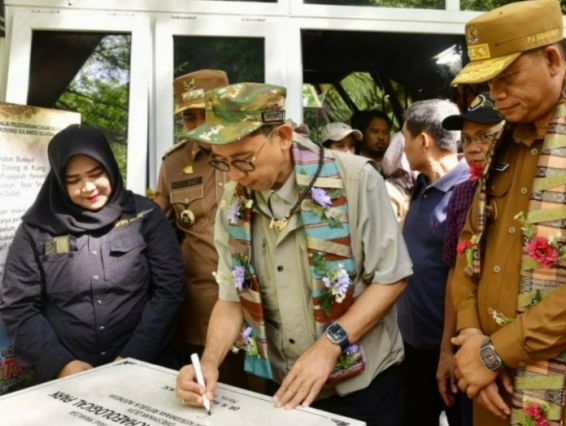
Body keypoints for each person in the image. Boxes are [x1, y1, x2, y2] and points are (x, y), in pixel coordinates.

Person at [175, 83, 412, 425]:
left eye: (243, 160)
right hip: (286, 389)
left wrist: (330, 345)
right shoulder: (235, 200)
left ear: (283, 136)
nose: (235, 175)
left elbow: (392, 279)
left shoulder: (356, 180)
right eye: (223, 162)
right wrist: (209, 362)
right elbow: (231, 297)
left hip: (364, 389)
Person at [449, 1, 566, 425]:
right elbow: (468, 250)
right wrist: (472, 337)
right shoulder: (501, 141)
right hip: (488, 385)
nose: (495, 94)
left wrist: (495, 352)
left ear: (553, 59)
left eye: (506, 76)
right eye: (488, 81)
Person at [0, 124, 184, 382]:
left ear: (110, 167)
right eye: (73, 180)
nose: (88, 187)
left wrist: (134, 356)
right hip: (67, 377)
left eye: (96, 174)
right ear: (59, 182)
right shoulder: (36, 230)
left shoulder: (145, 216)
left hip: (145, 367)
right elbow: (19, 306)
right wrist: (60, 364)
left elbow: (169, 290)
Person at [154, 70, 247, 384]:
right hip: (205, 308)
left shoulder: (254, 150)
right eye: (189, 117)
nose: (198, 124)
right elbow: (157, 230)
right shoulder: (174, 164)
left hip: (263, 302)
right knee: (213, 394)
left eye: (205, 112)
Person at [395, 98, 468, 426]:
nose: (401, 147)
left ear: (423, 140)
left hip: (451, 349)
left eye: (404, 138)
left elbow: (463, 277)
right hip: (414, 343)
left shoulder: (467, 192)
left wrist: (447, 352)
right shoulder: (420, 185)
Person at [437, 92, 504, 426]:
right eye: (467, 140)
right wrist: (447, 350)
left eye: (484, 137)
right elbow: (455, 272)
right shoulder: (462, 193)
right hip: (469, 340)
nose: (474, 148)